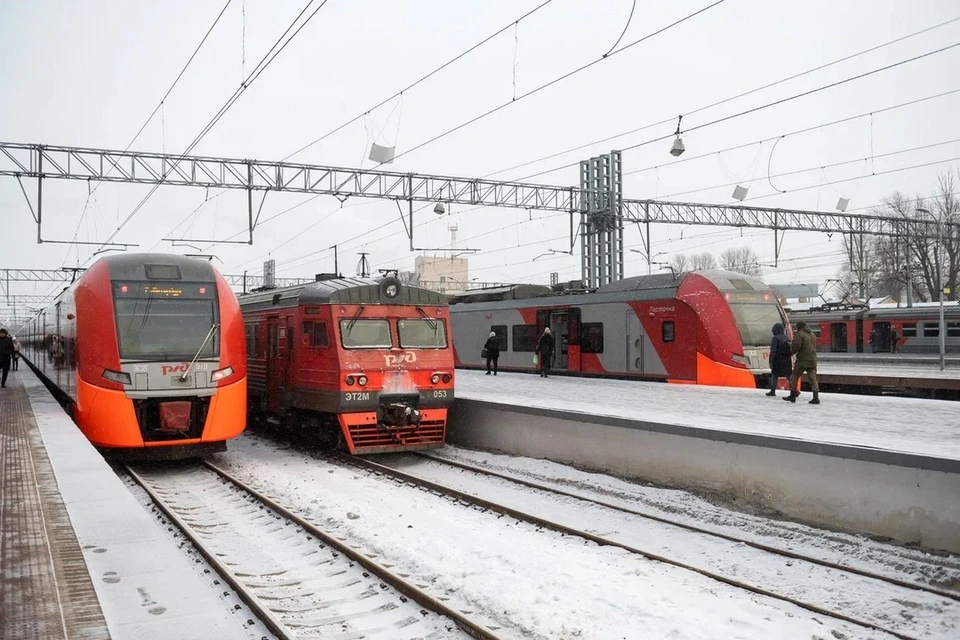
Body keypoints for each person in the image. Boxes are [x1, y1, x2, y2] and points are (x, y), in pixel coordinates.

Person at [784, 321, 820, 405]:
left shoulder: (800, 334)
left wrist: (790, 352)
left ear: (799, 327)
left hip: (802, 360)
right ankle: (816, 397)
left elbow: (796, 346)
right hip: (813, 360)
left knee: (795, 377)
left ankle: (792, 395)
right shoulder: (812, 334)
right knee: (813, 378)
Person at [765, 323, 792, 397]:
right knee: (789, 375)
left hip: (778, 359)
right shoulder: (786, 337)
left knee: (774, 375)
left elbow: (773, 351)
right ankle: (794, 389)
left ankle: (772, 391)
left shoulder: (775, 338)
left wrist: (771, 361)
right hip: (787, 359)